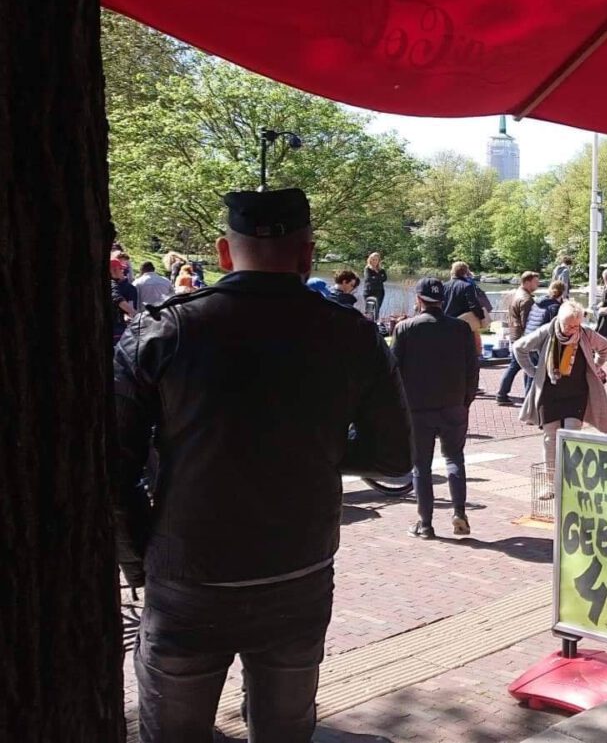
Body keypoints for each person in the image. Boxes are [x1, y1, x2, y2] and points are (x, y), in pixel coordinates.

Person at [113, 188, 411, 742]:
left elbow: (110, 469)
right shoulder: (352, 333)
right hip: (297, 571)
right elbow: (395, 455)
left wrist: (141, 562)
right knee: (285, 730)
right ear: (307, 255)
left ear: (225, 254)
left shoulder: (165, 330)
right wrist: (312, 447)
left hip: (188, 572)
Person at [392, 277, 479, 539]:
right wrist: (466, 399)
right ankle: (459, 512)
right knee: (455, 458)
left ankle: (425, 523)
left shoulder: (405, 328)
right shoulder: (461, 328)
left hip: (418, 408)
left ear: (419, 300)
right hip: (453, 405)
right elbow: (472, 368)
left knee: (422, 466)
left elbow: (394, 370)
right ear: (442, 300)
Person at [513, 301, 607, 495]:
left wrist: (596, 366)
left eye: (576, 325)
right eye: (568, 325)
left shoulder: (585, 334)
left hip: (576, 393)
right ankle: (551, 483)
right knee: (550, 438)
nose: (571, 330)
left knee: (572, 437)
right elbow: (519, 348)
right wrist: (533, 372)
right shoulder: (546, 332)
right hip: (550, 393)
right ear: (559, 320)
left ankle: (571, 481)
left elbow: (605, 347)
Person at [497, 272, 540, 406]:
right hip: (523, 338)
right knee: (529, 367)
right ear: (527, 282)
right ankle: (527, 398)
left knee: (515, 366)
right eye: (535, 282)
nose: (537, 285)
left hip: (515, 335)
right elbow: (528, 322)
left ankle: (502, 394)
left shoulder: (516, 294)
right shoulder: (526, 300)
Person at [442, 261, 486, 355]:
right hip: (463, 323)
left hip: (446, 322)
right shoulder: (467, 286)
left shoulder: (444, 286)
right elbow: (473, 305)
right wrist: (482, 318)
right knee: (466, 351)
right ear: (465, 272)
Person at [111, 257, 138, 344]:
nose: (122, 271)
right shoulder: (112, 284)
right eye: (120, 268)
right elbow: (117, 298)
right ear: (113, 270)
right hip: (117, 326)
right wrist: (135, 314)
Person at [362, 252, 387, 320]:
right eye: (373, 259)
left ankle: (375, 326)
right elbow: (368, 279)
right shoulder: (367, 269)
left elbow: (385, 278)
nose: (374, 261)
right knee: (369, 311)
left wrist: (375, 277)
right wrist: (379, 278)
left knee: (377, 311)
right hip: (369, 292)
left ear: (378, 261)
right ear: (370, 260)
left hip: (380, 292)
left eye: (376, 259)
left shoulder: (381, 270)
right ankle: (366, 326)